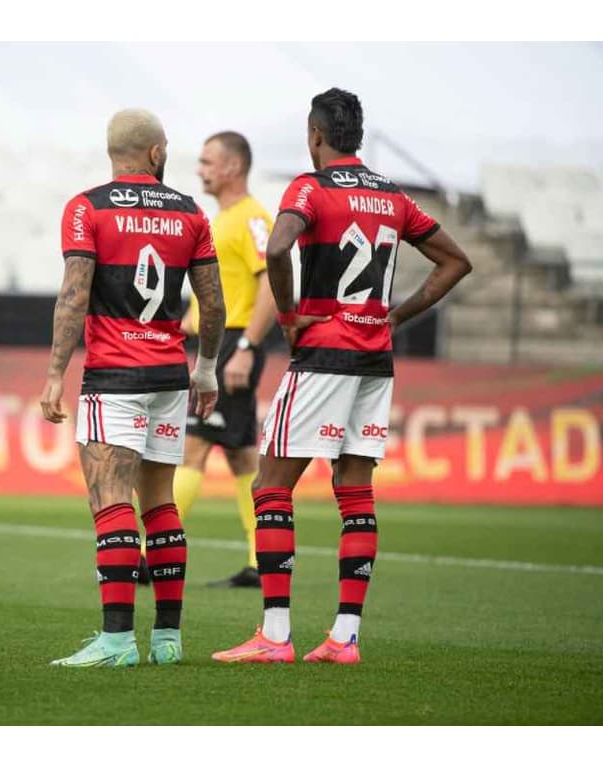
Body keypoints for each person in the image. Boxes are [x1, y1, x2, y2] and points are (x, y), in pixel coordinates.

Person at [213, 88, 471, 665]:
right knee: (355, 495)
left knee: (270, 488)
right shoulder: (391, 194)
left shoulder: (310, 188)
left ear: (315, 136)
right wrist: (396, 315)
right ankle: (344, 638)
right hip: (376, 360)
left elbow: (277, 250)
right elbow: (456, 261)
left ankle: (275, 637)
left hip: (324, 354)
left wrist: (286, 316)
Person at [40, 108, 225, 667]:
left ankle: (117, 641)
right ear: (154, 153)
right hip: (170, 375)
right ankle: (168, 639)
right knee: (161, 503)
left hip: (114, 377)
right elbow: (213, 302)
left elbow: (75, 295)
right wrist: (207, 367)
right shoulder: (191, 212)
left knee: (111, 501)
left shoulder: (87, 207)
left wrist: (55, 373)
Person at [177, 131, 276, 588]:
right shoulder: (223, 219)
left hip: (232, 347)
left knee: (192, 445)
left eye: (207, 161)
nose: (201, 169)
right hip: (216, 343)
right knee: (240, 457)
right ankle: (261, 561)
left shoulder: (253, 219)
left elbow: (270, 284)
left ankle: (145, 554)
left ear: (233, 167)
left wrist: (247, 348)